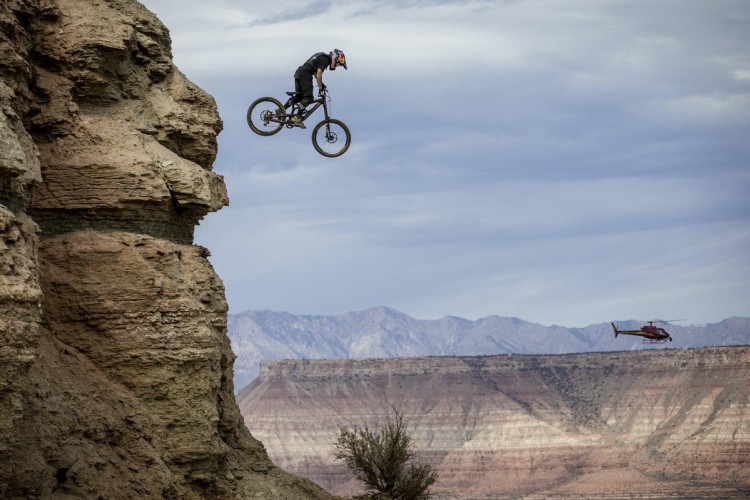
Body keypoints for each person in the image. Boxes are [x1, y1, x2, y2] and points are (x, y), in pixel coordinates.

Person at [284, 49, 347, 128]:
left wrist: (322, 85)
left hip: (299, 72)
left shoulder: (322, 57)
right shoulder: (325, 60)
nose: (337, 66)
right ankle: (297, 117)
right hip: (305, 74)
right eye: (338, 64)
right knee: (309, 98)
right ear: (335, 58)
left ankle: (281, 110)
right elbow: (318, 75)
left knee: (299, 97)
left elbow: (316, 74)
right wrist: (320, 89)